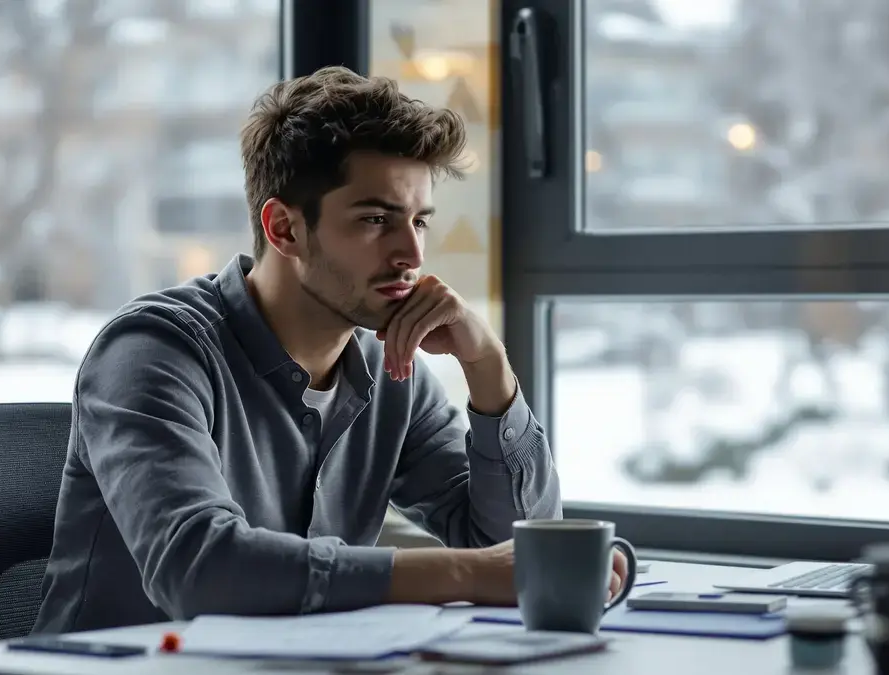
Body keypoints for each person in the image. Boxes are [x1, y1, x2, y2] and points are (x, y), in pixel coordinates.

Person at [32, 66, 627, 634]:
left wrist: (489, 369)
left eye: (419, 221)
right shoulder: (152, 351)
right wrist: (464, 574)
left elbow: (516, 553)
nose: (412, 255)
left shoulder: (391, 371)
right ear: (284, 229)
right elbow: (200, 569)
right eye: (376, 219)